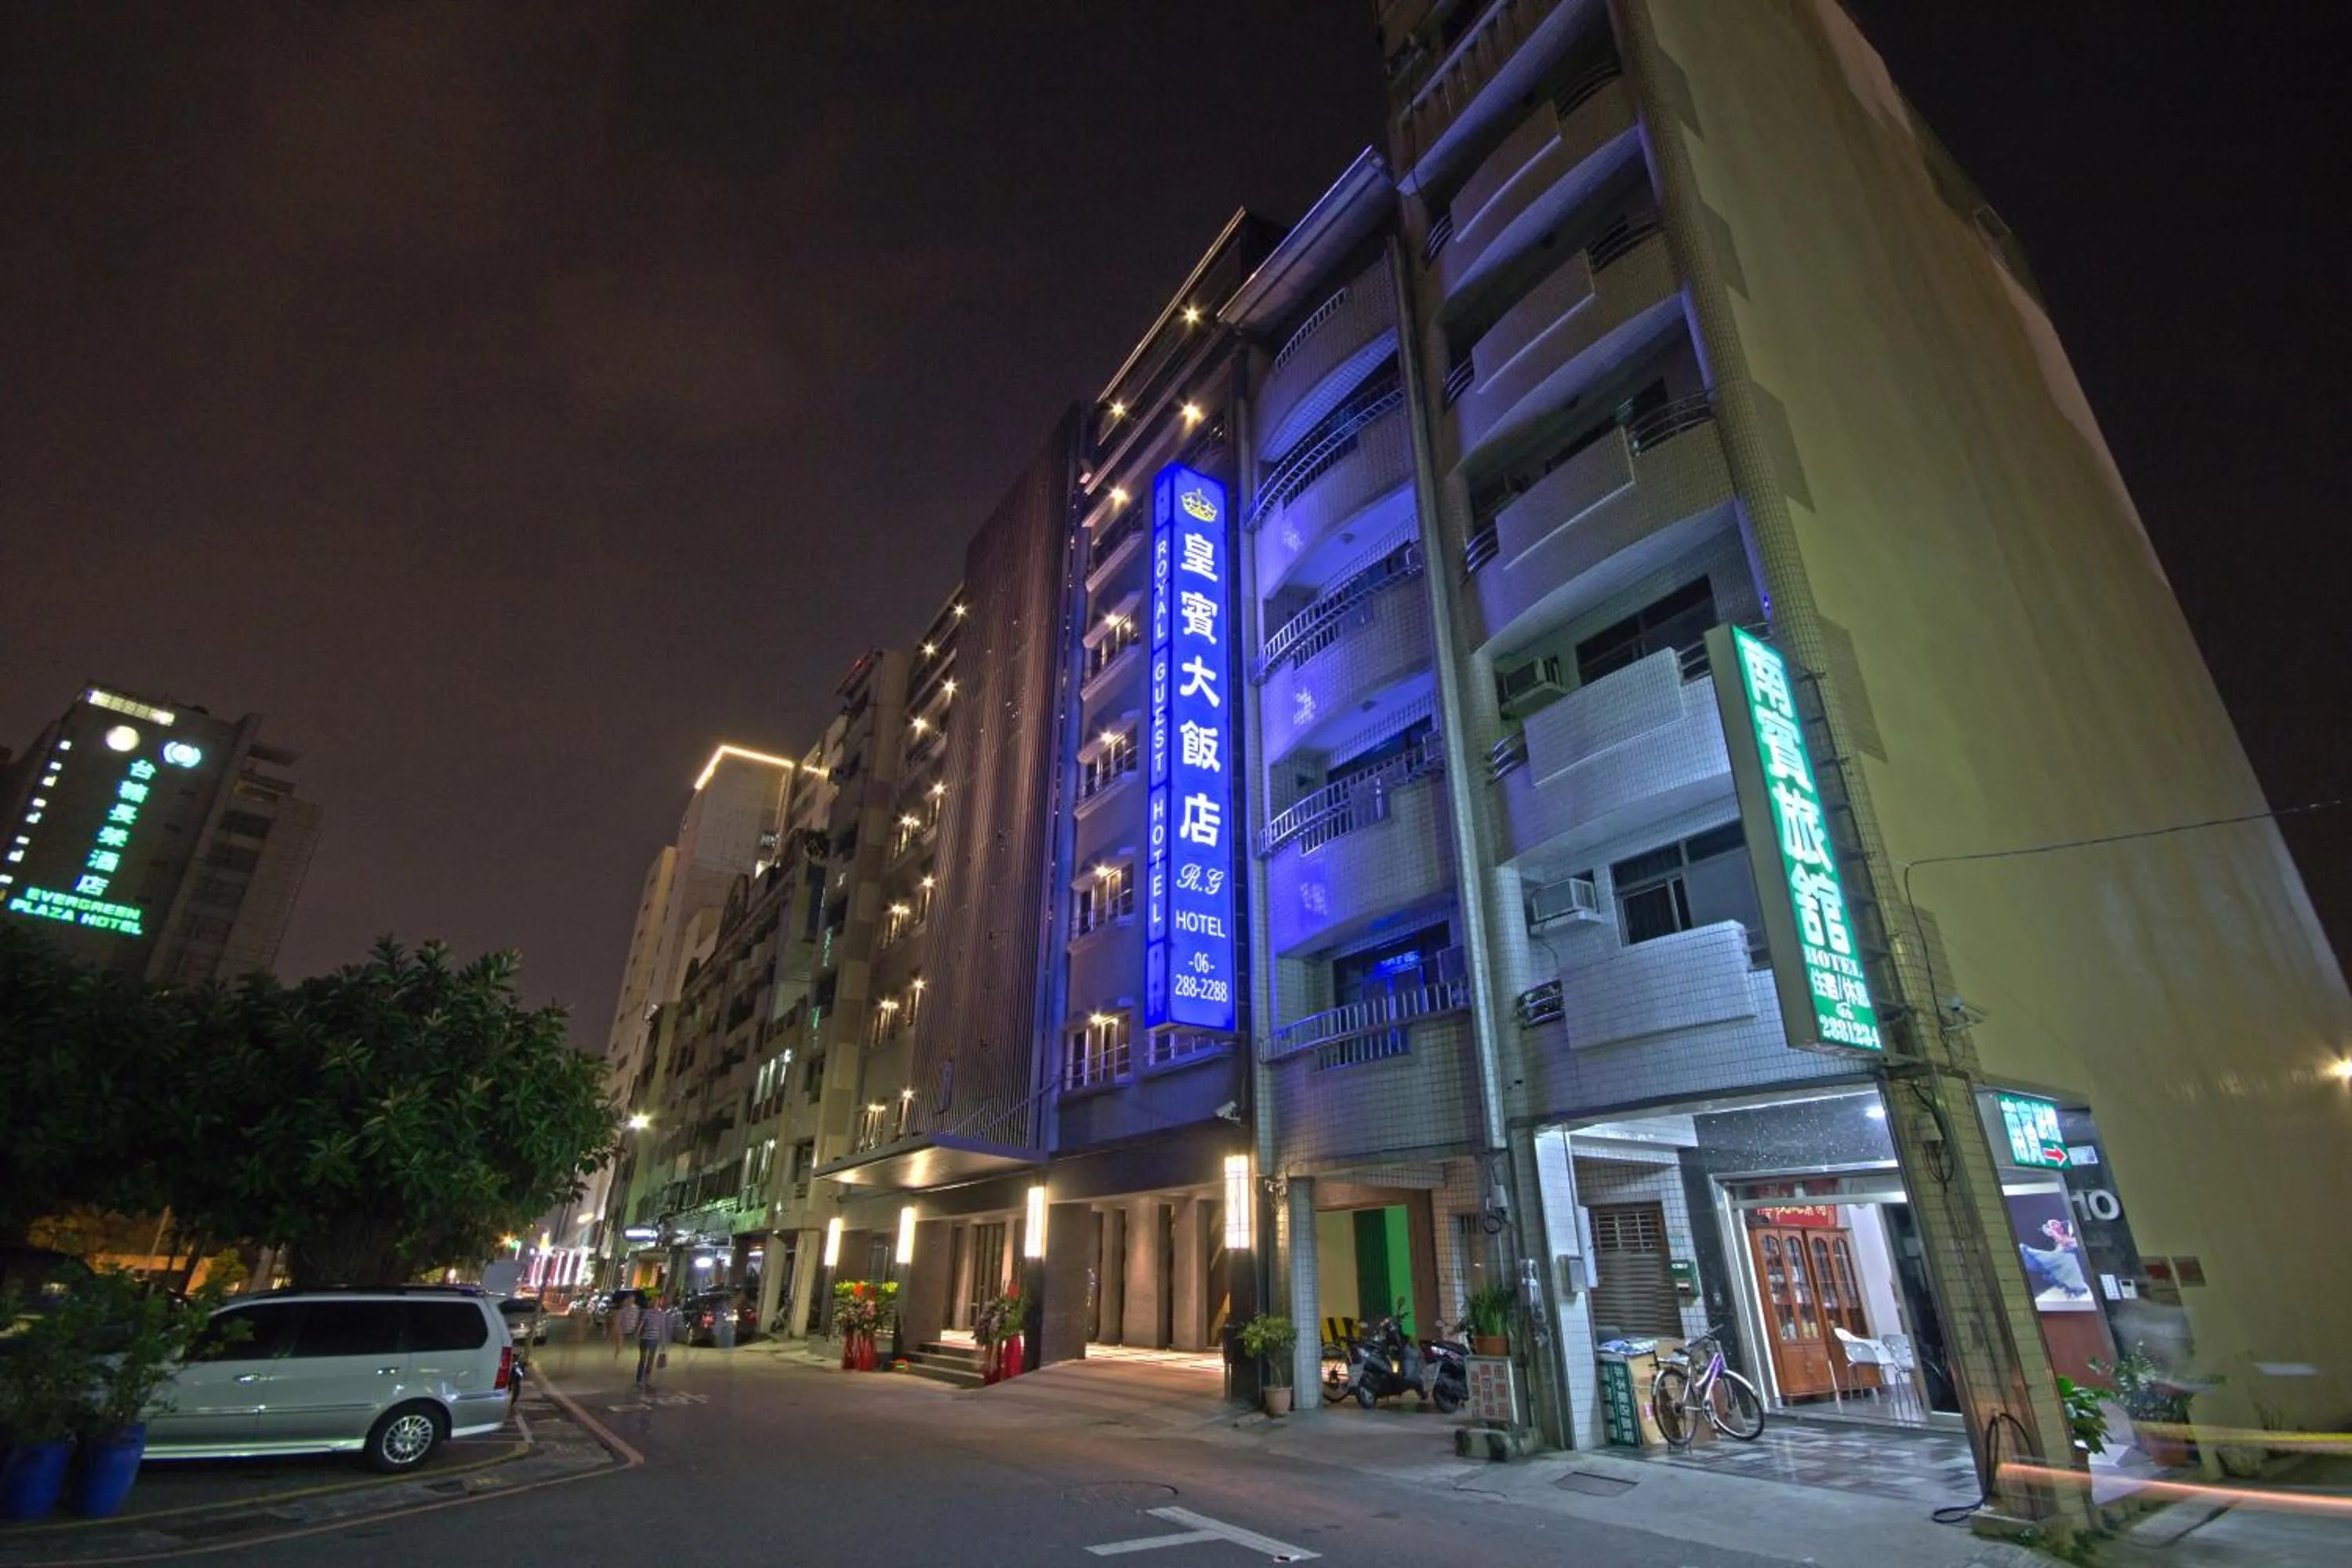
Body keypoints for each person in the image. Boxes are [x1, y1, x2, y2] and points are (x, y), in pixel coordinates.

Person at [634, 1293, 676, 1388]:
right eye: (656, 1301)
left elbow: (662, 1328)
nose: (658, 1303)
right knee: (643, 1360)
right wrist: (637, 1333)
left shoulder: (661, 1314)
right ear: (653, 1302)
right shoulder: (647, 1312)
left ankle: (647, 1380)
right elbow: (641, 1324)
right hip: (645, 1338)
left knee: (650, 1361)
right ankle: (639, 1380)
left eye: (659, 1301)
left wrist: (663, 1342)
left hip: (654, 1339)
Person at [612, 1290, 641, 1361]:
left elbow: (638, 1319)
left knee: (622, 1344)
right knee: (620, 1344)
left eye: (633, 1298)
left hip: (630, 1329)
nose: (632, 1300)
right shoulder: (623, 1310)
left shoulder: (636, 1308)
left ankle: (618, 1356)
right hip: (624, 1329)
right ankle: (617, 1357)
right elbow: (617, 1322)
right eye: (630, 1298)